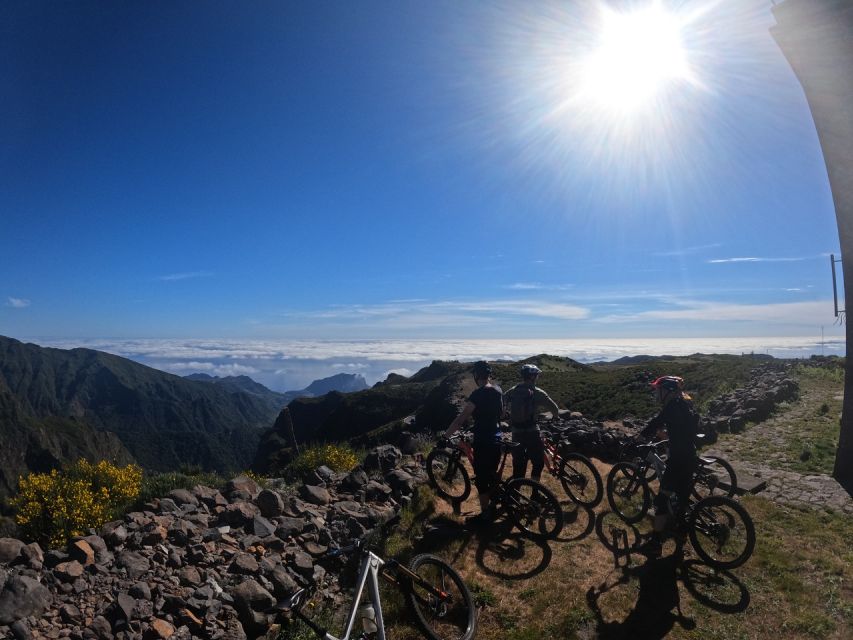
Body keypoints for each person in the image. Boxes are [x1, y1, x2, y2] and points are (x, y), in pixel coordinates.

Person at [640, 375, 700, 555]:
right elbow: (683, 430)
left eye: (658, 390)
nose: (656, 394)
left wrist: (639, 438)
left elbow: (655, 423)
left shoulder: (671, 407)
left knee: (661, 501)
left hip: (678, 460)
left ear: (667, 391)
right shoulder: (685, 404)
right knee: (681, 499)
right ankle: (682, 533)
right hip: (690, 456)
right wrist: (669, 436)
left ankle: (656, 543)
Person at [443, 360, 504, 527]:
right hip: (497, 437)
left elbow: (460, 419)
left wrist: (445, 436)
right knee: (492, 473)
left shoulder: (477, 395)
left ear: (476, 376)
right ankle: (496, 503)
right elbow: (499, 413)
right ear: (489, 375)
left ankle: (485, 516)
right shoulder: (498, 390)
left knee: (482, 480)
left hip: (483, 441)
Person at [504, 363, 562, 482]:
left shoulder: (514, 390)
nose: (537, 377)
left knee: (519, 463)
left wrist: (505, 415)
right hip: (532, 431)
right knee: (538, 462)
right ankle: (535, 492)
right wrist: (556, 417)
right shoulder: (537, 392)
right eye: (536, 375)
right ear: (532, 377)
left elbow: (502, 400)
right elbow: (554, 408)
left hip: (516, 432)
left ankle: (515, 492)